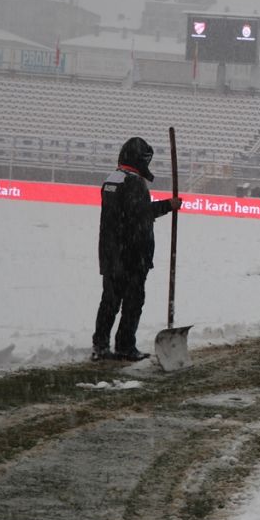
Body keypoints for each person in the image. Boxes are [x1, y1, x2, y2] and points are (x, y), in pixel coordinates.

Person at [93, 137, 182, 361]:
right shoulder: (132, 182)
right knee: (132, 302)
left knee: (110, 302)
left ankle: (101, 345)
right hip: (131, 255)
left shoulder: (113, 178)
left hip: (112, 253)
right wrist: (167, 206)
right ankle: (125, 345)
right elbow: (139, 214)